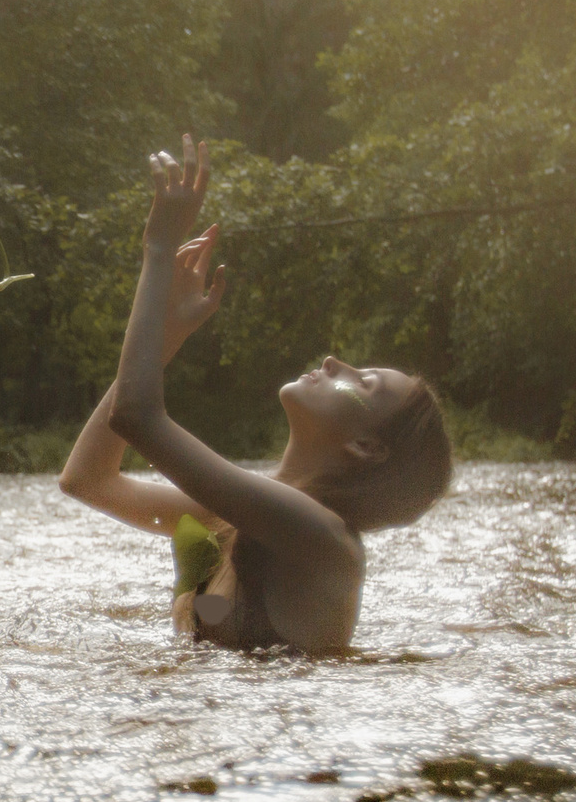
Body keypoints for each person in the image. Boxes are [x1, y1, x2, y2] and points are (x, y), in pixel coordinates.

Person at [59, 138, 453, 652]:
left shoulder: (322, 539)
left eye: (364, 383)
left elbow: (137, 416)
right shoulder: (230, 520)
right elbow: (87, 480)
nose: (337, 363)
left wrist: (157, 253)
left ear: (366, 446)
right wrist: (166, 342)